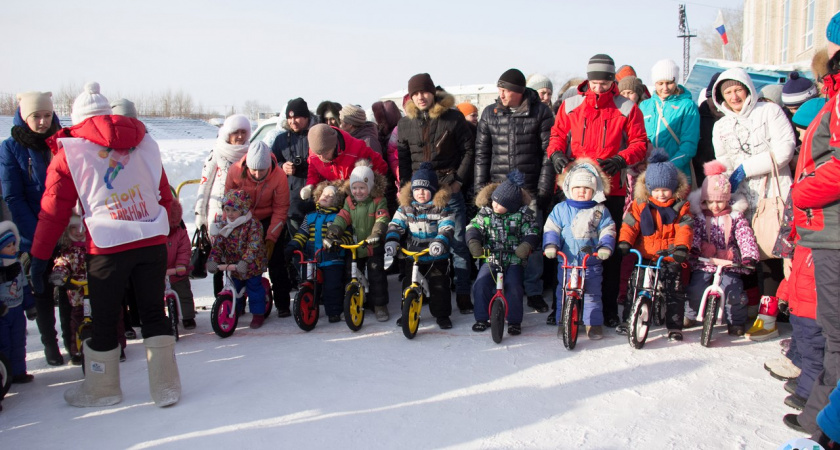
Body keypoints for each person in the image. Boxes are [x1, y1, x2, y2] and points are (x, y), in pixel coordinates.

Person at [30, 82, 180, 407]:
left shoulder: (71, 152)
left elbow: (53, 212)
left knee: (104, 319)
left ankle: (103, 389)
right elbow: (163, 192)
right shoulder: (144, 141)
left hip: (107, 246)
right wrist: (163, 226)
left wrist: (39, 257)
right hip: (150, 239)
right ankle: (166, 387)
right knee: (154, 312)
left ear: (78, 119)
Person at [547, 53, 649, 328]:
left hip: (610, 188)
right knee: (569, 244)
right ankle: (563, 303)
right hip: (576, 185)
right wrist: (555, 153)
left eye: (604, 83)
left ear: (612, 81)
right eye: (595, 82)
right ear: (588, 79)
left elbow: (640, 143)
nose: (599, 88)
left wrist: (621, 159)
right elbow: (557, 135)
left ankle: (607, 308)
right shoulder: (571, 104)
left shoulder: (626, 107)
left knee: (607, 247)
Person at [786, 14, 840, 434]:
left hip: (832, 229)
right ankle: (820, 413)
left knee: (835, 334)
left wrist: (801, 192)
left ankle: (825, 424)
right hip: (826, 228)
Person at [475, 68, 555, 314]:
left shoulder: (540, 112)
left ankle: (533, 290)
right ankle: (495, 287)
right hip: (498, 190)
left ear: (519, 92)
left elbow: (548, 155)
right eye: (499, 90)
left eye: (505, 90)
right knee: (496, 239)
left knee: (531, 243)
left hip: (528, 189)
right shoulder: (490, 113)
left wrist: (543, 190)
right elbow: (482, 154)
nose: (501, 95)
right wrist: (480, 190)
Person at [712, 68, 796, 299]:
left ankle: (773, 309)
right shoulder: (721, 125)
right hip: (741, 198)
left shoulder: (769, 111)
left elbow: (784, 150)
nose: (734, 96)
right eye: (728, 92)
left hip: (772, 194)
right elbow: (723, 160)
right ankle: (749, 308)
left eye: (738, 89)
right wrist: (724, 183)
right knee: (745, 255)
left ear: (748, 88)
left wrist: (745, 169)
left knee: (773, 255)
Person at [0, 90, 69, 366]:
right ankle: (50, 343)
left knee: (68, 286)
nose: (43, 122)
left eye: (47, 115)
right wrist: (39, 234)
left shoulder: (63, 141)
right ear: (24, 117)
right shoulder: (11, 147)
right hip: (34, 232)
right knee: (40, 289)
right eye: (36, 116)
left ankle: (72, 339)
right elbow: (13, 197)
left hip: (66, 230)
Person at [397, 73, 475, 314]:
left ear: (432, 92)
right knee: (421, 245)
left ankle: (463, 293)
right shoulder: (405, 123)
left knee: (458, 243)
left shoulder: (453, 118)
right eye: (415, 93)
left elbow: (469, 149)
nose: (420, 97)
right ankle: (424, 292)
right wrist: (406, 190)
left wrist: (458, 181)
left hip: (448, 189)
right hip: (420, 195)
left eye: (424, 92)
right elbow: (404, 159)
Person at [616, 149, 692, 341]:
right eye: (656, 190)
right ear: (649, 188)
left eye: (665, 190)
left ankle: (674, 326)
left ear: (673, 188)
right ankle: (628, 320)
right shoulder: (640, 205)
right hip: (646, 255)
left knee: (674, 290)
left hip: (669, 255)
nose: (661, 194)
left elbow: (684, 229)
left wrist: (681, 248)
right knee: (635, 286)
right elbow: (630, 224)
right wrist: (625, 241)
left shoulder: (680, 207)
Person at [683, 161, 759, 336]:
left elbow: (745, 236)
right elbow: (694, 234)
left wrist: (749, 256)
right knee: (696, 288)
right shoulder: (700, 217)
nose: (715, 206)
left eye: (720, 201)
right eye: (710, 201)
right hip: (705, 261)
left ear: (727, 199)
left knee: (733, 290)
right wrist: (695, 248)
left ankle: (736, 321)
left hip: (728, 262)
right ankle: (690, 314)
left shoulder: (735, 217)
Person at [542, 160, 616, 339]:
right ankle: (563, 321)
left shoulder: (599, 210)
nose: (581, 191)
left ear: (594, 190)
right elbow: (551, 228)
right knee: (563, 293)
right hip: (567, 262)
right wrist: (551, 245)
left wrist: (605, 246)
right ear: (569, 188)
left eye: (586, 188)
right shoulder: (560, 209)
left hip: (590, 262)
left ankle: (593, 324)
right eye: (577, 187)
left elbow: (608, 229)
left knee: (592, 293)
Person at [467, 170, 539, 336]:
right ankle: (482, 317)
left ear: (512, 206)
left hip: (514, 258)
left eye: (500, 204)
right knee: (481, 284)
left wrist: (526, 245)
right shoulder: (486, 214)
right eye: (494, 200)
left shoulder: (523, 216)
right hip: (491, 257)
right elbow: (474, 226)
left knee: (514, 286)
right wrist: (474, 241)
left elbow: (532, 231)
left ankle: (514, 321)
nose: (495, 205)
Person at [225, 141, 291, 317]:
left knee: (276, 261)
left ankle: (283, 304)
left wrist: (271, 237)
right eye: (254, 170)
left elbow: (281, 208)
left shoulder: (279, 176)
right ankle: (232, 302)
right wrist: (229, 227)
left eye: (262, 170)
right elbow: (228, 202)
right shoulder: (235, 171)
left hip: (268, 218)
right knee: (234, 260)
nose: (257, 174)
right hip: (241, 219)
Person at [385, 163, 455, 329]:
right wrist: (392, 239)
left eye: (425, 189)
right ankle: (407, 312)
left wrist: (440, 241)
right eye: (417, 189)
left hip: (436, 255)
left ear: (433, 190)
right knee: (408, 283)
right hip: (413, 253)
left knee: (439, 285)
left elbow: (447, 227)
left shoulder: (442, 208)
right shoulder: (406, 208)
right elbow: (396, 224)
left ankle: (442, 315)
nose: (420, 193)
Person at [194, 114, 251, 295]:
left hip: (241, 216)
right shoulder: (217, 153)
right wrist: (200, 215)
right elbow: (204, 185)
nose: (240, 136)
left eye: (243, 132)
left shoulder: (250, 154)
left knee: (238, 258)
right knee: (218, 258)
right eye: (236, 132)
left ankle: (238, 299)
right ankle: (220, 298)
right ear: (228, 133)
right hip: (218, 214)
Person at [327, 161, 391, 321]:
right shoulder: (349, 201)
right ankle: (353, 302)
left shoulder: (378, 201)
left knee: (376, 275)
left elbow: (382, 218)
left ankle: (379, 305)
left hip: (372, 245)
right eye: (354, 188)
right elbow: (342, 218)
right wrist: (333, 232)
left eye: (362, 188)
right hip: (355, 246)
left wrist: (376, 233)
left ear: (370, 187)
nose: (358, 191)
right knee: (351, 273)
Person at [285, 181, 353, 323]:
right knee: (309, 281)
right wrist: (293, 245)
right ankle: (309, 304)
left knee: (332, 286)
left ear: (337, 200)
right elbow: (302, 234)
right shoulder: (310, 217)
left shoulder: (339, 217)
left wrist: (338, 243)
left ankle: (334, 311)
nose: (325, 197)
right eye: (323, 194)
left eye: (330, 195)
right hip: (312, 258)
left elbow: (348, 236)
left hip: (332, 259)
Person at [206, 190, 269, 328]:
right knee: (234, 288)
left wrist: (246, 260)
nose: (230, 214)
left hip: (252, 265)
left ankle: (258, 313)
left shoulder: (253, 224)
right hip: (233, 265)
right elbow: (218, 245)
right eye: (227, 209)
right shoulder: (225, 225)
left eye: (234, 210)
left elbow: (254, 244)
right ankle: (235, 309)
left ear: (243, 209)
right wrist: (213, 259)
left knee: (254, 288)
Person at [639, 59, 700, 185]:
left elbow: (689, 144)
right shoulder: (645, 106)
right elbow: (638, 138)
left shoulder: (687, 106)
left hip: (677, 172)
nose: (665, 88)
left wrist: (670, 167)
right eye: (660, 83)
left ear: (676, 82)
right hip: (649, 172)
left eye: (669, 83)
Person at [301, 123, 388, 197]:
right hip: (334, 197)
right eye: (318, 155)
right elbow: (314, 170)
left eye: (326, 153)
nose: (322, 158)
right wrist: (310, 185)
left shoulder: (356, 149)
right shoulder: (313, 153)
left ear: (334, 145)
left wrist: (370, 188)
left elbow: (381, 167)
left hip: (358, 196)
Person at [269, 98, 314, 235]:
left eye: (297, 117)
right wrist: (282, 167)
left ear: (306, 117)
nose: (293, 121)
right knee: (295, 238)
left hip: (316, 197)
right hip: (292, 199)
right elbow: (271, 163)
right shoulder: (281, 140)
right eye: (289, 118)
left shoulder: (316, 135)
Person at [0, 222, 37, 384]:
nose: (13, 248)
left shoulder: (19, 264)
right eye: (8, 246)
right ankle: (5, 374)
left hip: (17, 310)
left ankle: (19, 371)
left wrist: (30, 306)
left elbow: (24, 286)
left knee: (19, 342)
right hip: (3, 312)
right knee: (4, 344)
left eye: (13, 244)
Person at [164, 199, 196, 330]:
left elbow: (184, 249)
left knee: (184, 293)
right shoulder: (155, 234)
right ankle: (162, 319)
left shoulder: (180, 230)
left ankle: (188, 317)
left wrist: (181, 264)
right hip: (159, 270)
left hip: (177, 270)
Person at [693, 72, 722, 186]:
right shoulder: (697, 118)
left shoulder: (734, 120)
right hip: (701, 178)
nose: (718, 105)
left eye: (721, 100)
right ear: (708, 98)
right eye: (714, 100)